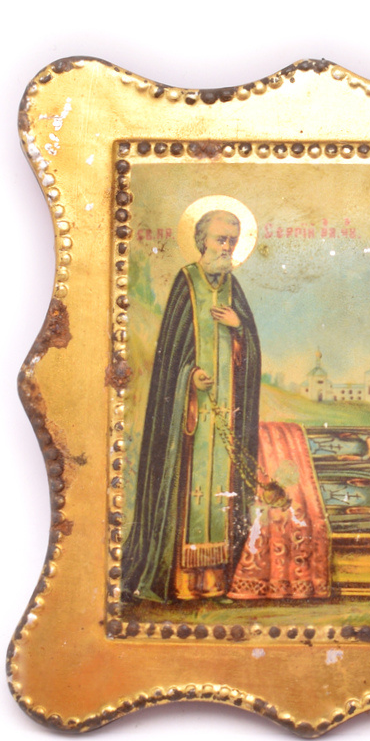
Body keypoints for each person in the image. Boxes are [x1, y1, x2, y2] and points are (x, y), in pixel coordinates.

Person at [121, 209, 261, 602]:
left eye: (232, 241)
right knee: (188, 492)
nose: (226, 247)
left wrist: (239, 328)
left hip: (226, 414)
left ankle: (216, 580)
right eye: (220, 239)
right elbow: (170, 357)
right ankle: (182, 581)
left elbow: (251, 353)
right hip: (191, 416)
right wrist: (189, 377)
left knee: (222, 494)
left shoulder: (234, 289)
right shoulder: (186, 282)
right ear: (202, 241)